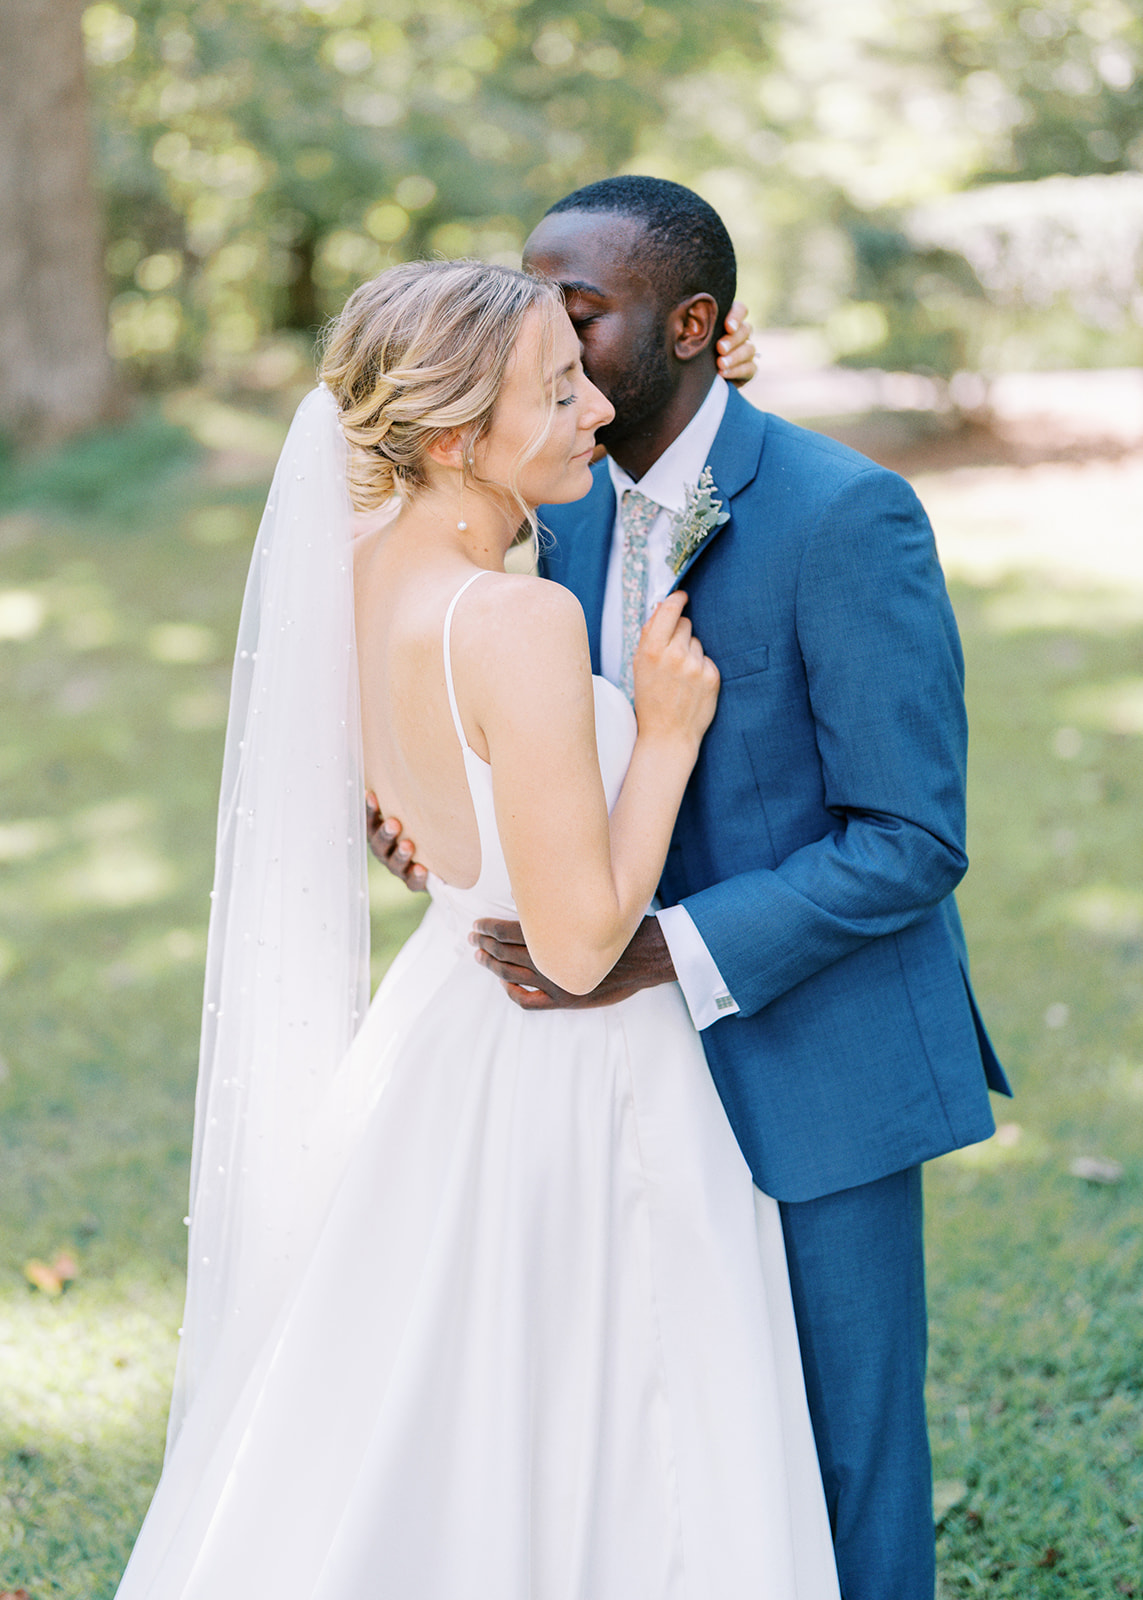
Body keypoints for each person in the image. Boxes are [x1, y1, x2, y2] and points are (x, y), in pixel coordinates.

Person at [114, 258, 841, 1596]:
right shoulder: (514, 618)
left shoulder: (352, 569)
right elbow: (574, 948)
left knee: (416, 1397)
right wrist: (669, 737)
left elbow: (424, 806)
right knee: (615, 1411)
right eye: (558, 395)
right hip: (570, 1062)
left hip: (439, 1019)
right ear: (454, 438)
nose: (595, 417)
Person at [374, 178, 1012, 1600]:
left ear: (697, 325)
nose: (544, 330)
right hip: (601, 1082)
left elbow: (911, 838)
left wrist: (649, 949)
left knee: (845, 1461)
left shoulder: (848, 517)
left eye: (579, 312)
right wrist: (438, 823)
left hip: (815, 1056)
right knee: (663, 1454)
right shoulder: (553, 505)